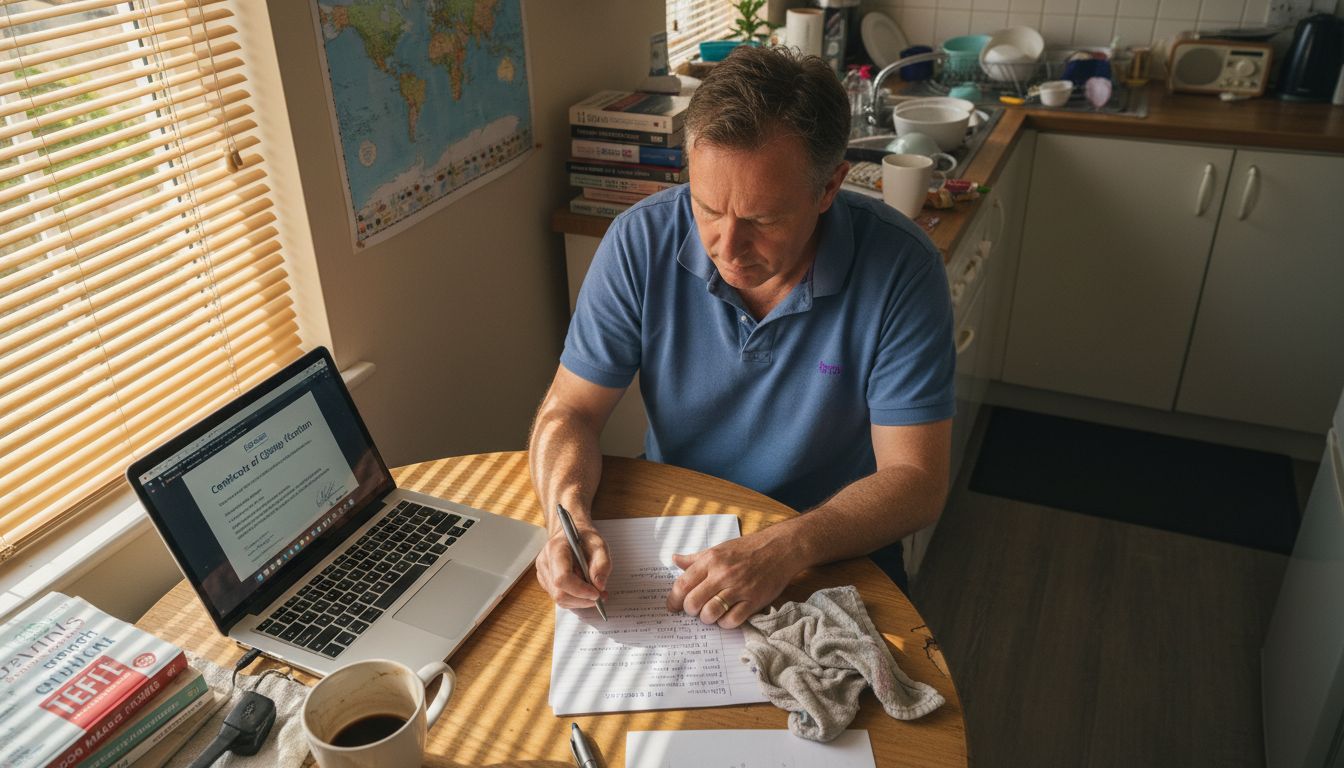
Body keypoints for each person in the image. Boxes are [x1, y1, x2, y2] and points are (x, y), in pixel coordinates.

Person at [529, 45, 955, 629]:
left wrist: (785, 547)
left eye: (762, 220)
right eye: (707, 208)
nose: (726, 249)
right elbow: (569, 412)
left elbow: (916, 481)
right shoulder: (638, 242)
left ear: (829, 188)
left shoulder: (902, 269)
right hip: (675, 536)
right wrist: (566, 518)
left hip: (829, 553)